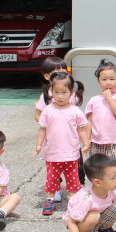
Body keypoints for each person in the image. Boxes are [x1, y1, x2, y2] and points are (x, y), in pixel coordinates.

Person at [32, 72, 89, 216]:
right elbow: (42, 129)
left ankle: (72, 201)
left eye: (64, 92)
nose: (60, 96)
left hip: (71, 153)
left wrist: (86, 143)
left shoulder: (75, 111)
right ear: (51, 91)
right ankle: (49, 201)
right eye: (56, 92)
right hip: (52, 153)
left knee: (72, 178)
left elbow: (82, 129)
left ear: (71, 92)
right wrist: (38, 145)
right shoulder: (48, 110)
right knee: (52, 178)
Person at [34, 57, 77, 202]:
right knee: (54, 166)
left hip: (69, 138)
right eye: (56, 72)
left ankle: (75, 187)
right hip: (53, 138)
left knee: (71, 164)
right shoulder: (46, 96)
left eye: (63, 71)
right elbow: (38, 115)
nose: (60, 74)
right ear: (47, 76)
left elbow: (74, 113)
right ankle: (55, 189)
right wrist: (48, 124)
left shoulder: (70, 93)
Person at [84, 60, 116, 164]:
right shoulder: (94, 100)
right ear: (98, 81)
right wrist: (87, 140)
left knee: (114, 167)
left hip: (114, 141)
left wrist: (109, 97)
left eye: (112, 79)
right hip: (96, 141)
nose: (108, 83)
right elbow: (89, 121)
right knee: (97, 168)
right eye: (104, 79)